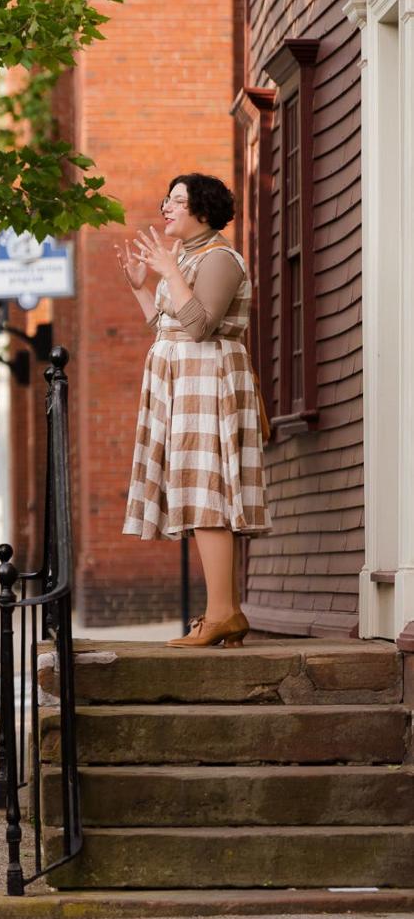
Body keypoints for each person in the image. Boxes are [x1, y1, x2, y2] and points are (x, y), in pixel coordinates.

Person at [120, 171, 270, 647]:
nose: (166, 207)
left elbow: (202, 325)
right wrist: (140, 285)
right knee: (195, 490)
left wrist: (168, 273)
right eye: (166, 199)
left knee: (210, 496)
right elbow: (168, 327)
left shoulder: (221, 258)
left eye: (177, 201)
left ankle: (221, 612)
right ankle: (225, 614)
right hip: (183, 382)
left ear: (203, 211)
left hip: (211, 380)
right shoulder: (183, 256)